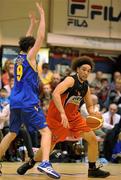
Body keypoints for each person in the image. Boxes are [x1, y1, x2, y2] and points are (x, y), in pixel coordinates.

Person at [18, 56, 110, 178]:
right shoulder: (70, 80)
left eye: (88, 71)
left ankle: (92, 169)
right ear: (77, 69)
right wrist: (62, 113)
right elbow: (55, 93)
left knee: (92, 139)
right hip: (57, 116)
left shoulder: (85, 87)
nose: (86, 72)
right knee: (49, 147)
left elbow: (89, 107)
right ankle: (31, 162)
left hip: (74, 117)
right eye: (83, 69)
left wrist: (94, 113)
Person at [0, 2, 60, 179]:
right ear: (31, 48)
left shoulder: (19, 57)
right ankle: (46, 164)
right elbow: (40, 36)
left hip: (15, 101)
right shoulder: (31, 57)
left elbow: (27, 39)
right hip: (28, 101)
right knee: (46, 132)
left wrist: (31, 24)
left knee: (11, 133)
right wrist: (42, 15)